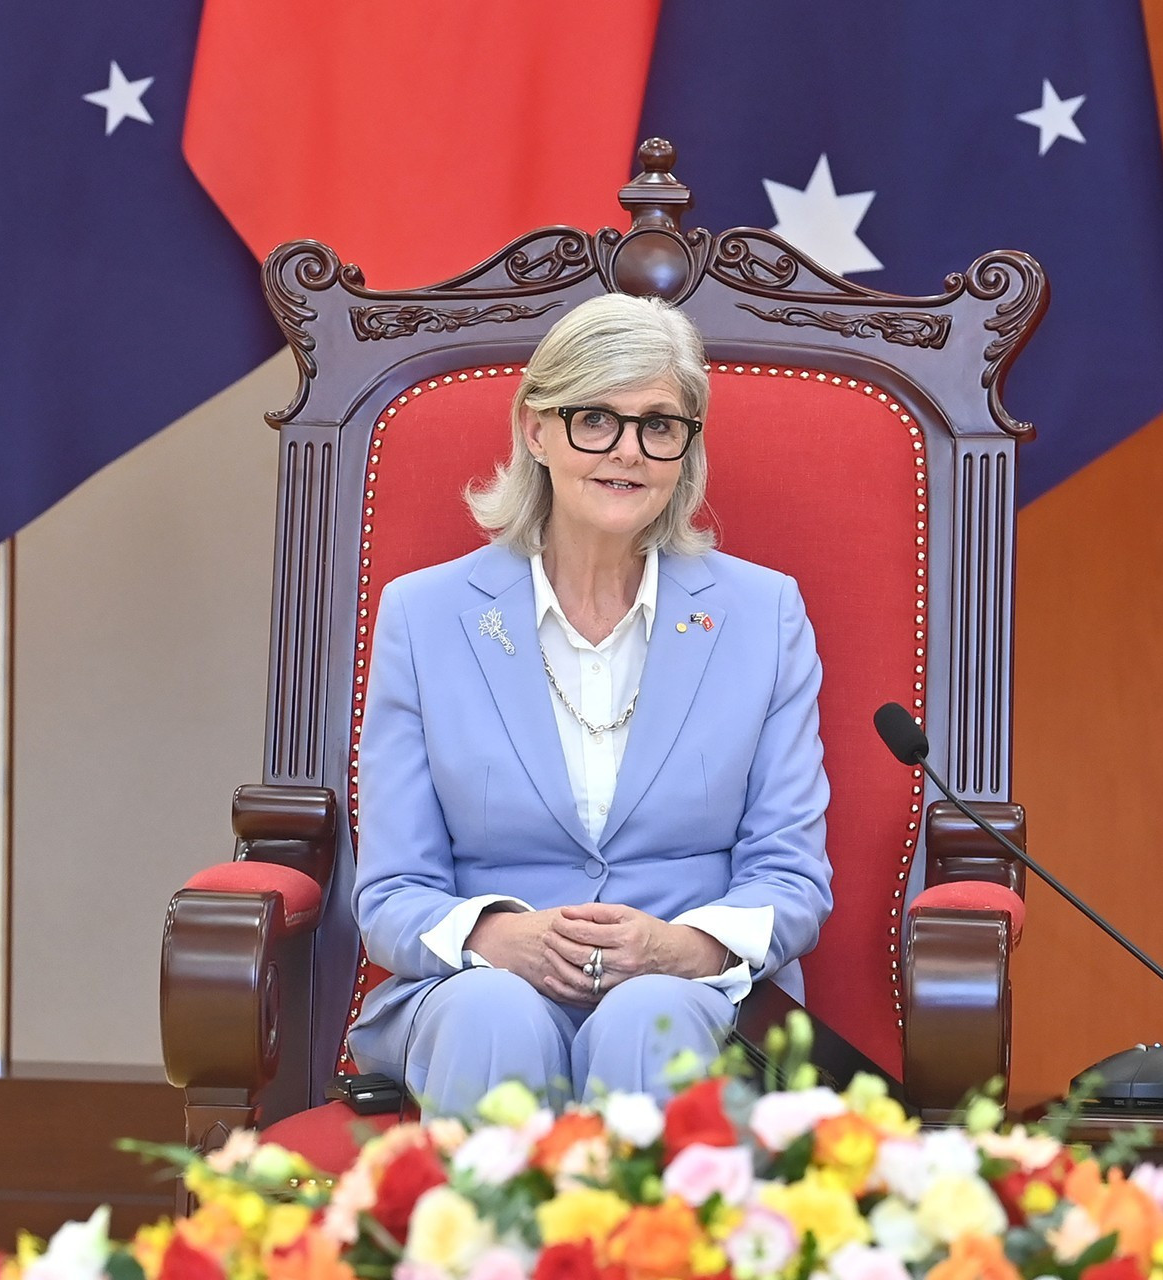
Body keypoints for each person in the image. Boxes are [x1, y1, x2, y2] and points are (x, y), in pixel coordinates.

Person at [347, 293, 833, 1117]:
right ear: (536, 430)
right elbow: (393, 890)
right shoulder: (424, 616)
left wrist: (679, 948)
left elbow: (790, 876)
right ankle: (493, 1251)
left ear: (686, 447)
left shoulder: (763, 614)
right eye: (595, 420)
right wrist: (500, 940)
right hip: (479, 994)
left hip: (690, 997)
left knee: (650, 1017)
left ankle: (650, 1249)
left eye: (659, 425)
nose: (628, 451)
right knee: (492, 1012)